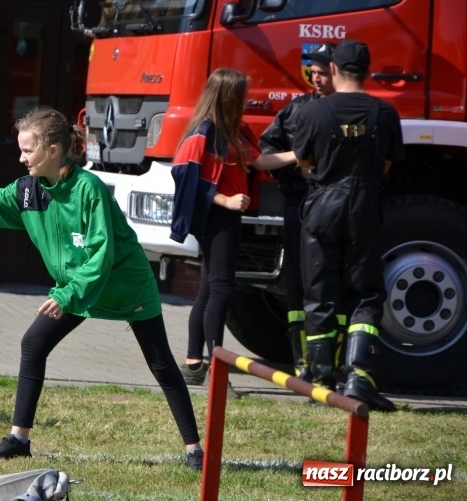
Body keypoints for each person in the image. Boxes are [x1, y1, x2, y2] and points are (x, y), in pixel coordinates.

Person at [0, 106, 205, 470]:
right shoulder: (27, 193)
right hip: (76, 288)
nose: (21, 158)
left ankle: (195, 451)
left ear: (53, 150)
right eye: (21, 150)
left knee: (162, 363)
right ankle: (19, 439)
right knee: (34, 343)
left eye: (28, 150)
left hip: (124, 287)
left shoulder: (89, 189)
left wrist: (67, 294)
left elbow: (102, 252)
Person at [293, 40, 403, 411]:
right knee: (367, 293)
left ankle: (322, 381)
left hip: (322, 208)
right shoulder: (385, 113)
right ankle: (359, 378)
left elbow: (303, 160)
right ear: (367, 72)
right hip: (365, 209)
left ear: (335, 70)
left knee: (320, 291)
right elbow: (388, 165)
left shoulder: (313, 112)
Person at [170, 68, 298, 386]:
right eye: (242, 94)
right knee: (221, 289)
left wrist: (298, 155)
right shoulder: (205, 132)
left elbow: (259, 162)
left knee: (207, 290)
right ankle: (217, 365)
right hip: (217, 219)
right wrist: (225, 200)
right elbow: (185, 176)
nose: (247, 99)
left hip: (228, 218)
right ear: (228, 96)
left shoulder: (234, 131)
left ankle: (194, 364)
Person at [259, 44, 337, 382]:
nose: (316, 79)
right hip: (298, 205)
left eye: (322, 72)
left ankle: (332, 363)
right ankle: (301, 360)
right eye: (313, 72)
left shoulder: (348, 111)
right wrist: (297, 162)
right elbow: (267, 148)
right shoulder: (297, 109)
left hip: (333, 205)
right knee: (297, 283)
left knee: (330, 282)